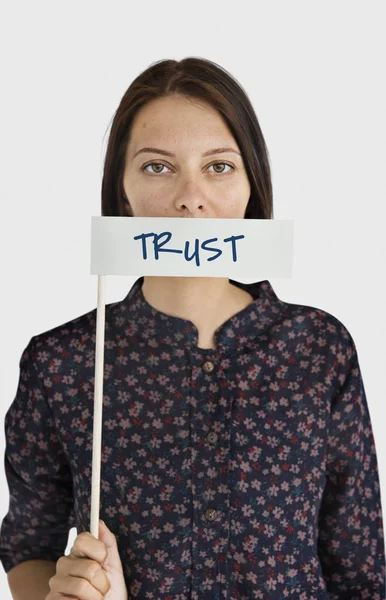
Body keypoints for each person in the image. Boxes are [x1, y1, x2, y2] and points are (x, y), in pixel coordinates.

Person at [0, 56, 385, 600]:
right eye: (158, 166)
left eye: (219, 166)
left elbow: (359, 566)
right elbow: (28, 548)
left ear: (253, 182)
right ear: (122, 190)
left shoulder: (320, 348)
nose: (189, 197)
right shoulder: (62, 362)